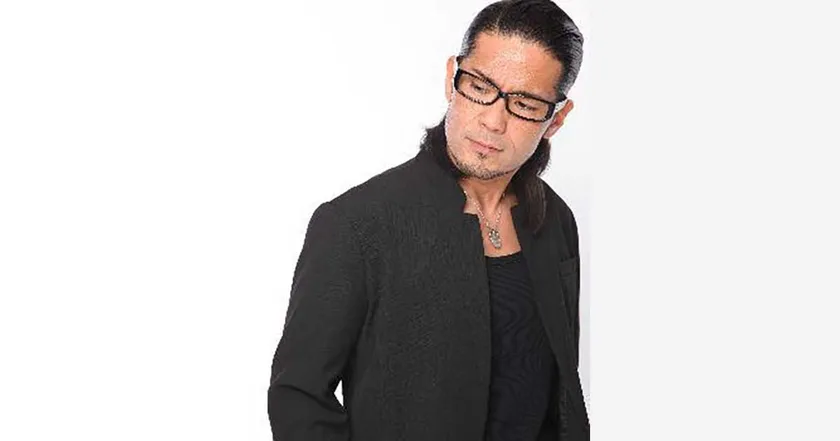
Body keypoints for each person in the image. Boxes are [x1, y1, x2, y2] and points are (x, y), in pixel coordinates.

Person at [267, 1, 588, 439]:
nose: (493, 120)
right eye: (479, 86)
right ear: (452, 77)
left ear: (556, 119)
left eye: (525, 104)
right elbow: (299, 397)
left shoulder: (556, 220)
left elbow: (559, 395)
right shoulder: (355, 223)